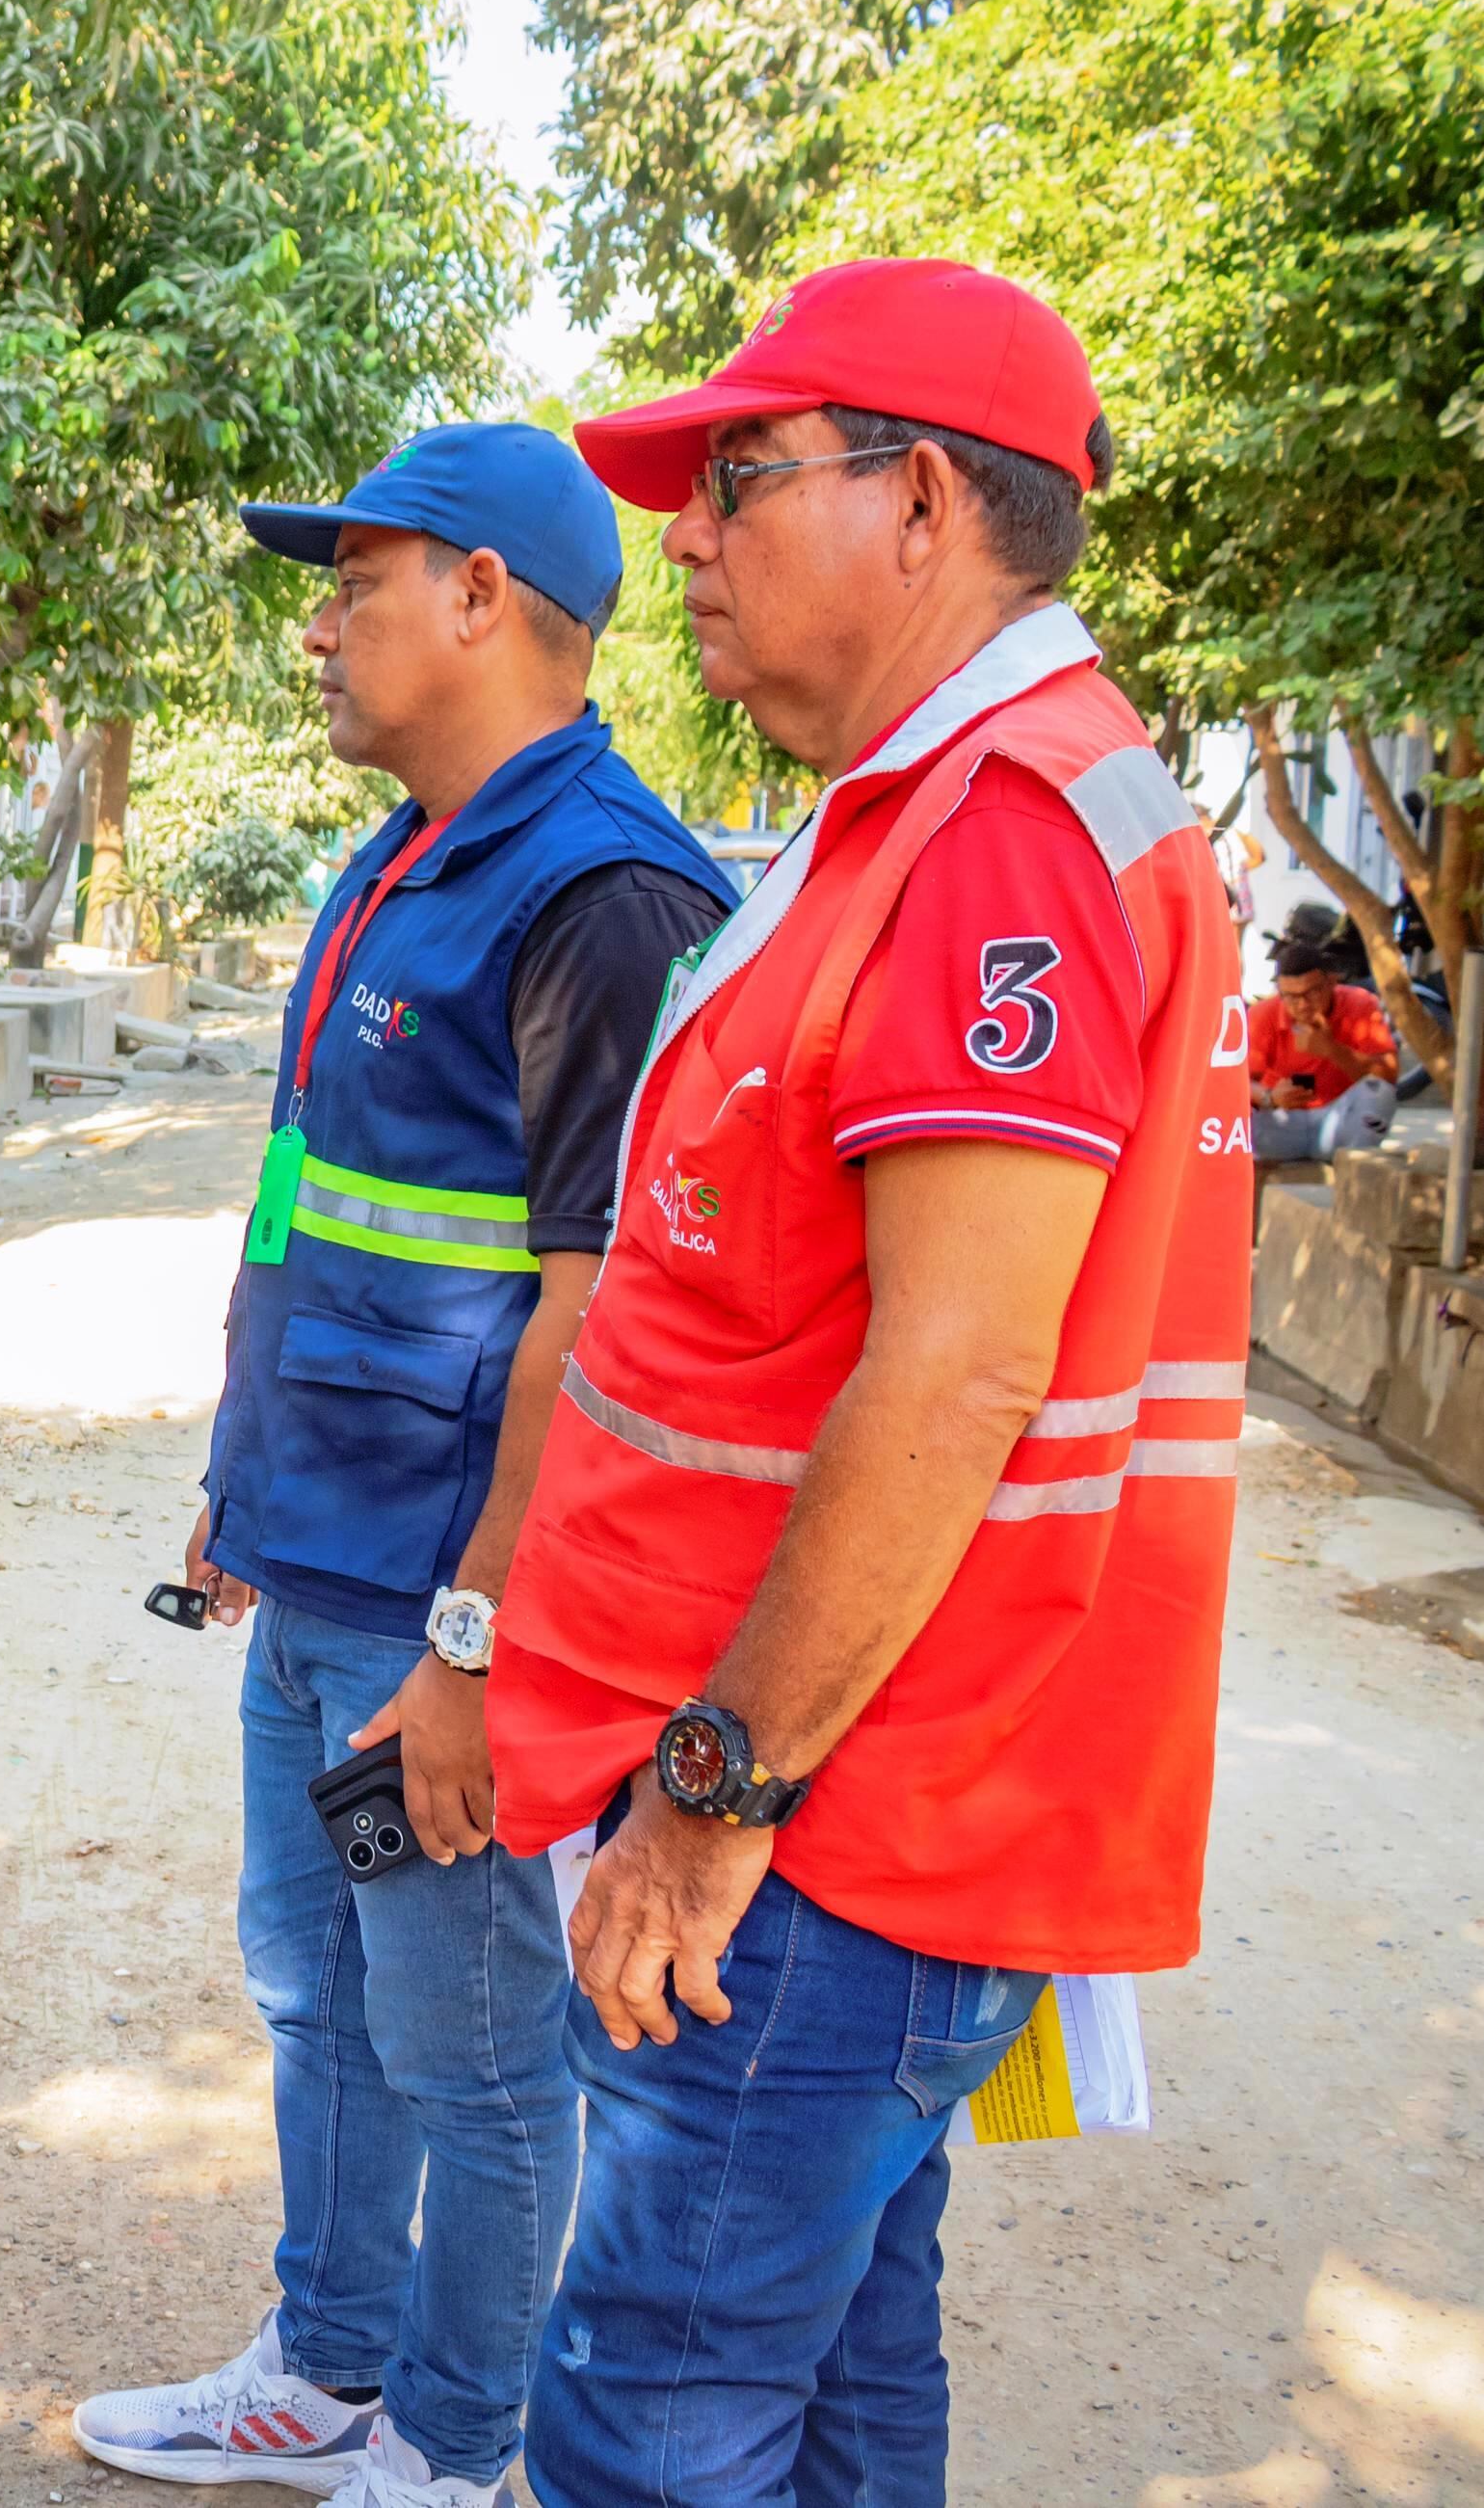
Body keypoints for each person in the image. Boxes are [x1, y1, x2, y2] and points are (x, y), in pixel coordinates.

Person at [498, 258, 1247, 2505]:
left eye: (739, 477)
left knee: (650, 2420)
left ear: (922, 502)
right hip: (860, 1813)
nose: (686, 539)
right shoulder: (926, 808)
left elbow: (954, 1373)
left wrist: (707, 1795)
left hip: (826, 1834)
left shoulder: (999, 827)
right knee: (835, 2374)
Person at [67, 428, 730, 2508]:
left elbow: (601, 1311)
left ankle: (458, 2443)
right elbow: (307, 1196)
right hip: (316, 1559)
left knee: (472, 2047)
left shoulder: (605, 895)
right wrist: (239, 1473)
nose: (322, 626)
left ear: (482, 595)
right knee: (321, 1992)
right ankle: (329, 2366)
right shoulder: (400, 859)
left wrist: (478, 1642)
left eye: (356, 582)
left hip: (438, 1614)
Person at [1248, 937, 1402, 1160]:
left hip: (1337, 1121)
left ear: (1331, 982)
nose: (1302, 1005)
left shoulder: (1359, 1003)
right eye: (1291, 996)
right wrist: (1270, 1097)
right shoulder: (1263, 1014)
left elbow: (1388, 1076)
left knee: (1379, 1092)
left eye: (1311, 992)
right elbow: (1236, 1081)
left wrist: (1332, 1050)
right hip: (1280, 1124)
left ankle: (1355, 1162)